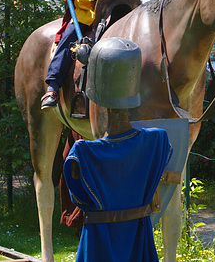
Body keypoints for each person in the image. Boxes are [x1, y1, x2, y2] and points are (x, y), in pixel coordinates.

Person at [63, 38, 171, 262]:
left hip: (98, 248)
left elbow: (79, 200)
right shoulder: (157, 141)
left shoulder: (83, 154)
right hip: (138, 246)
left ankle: (52, 88)